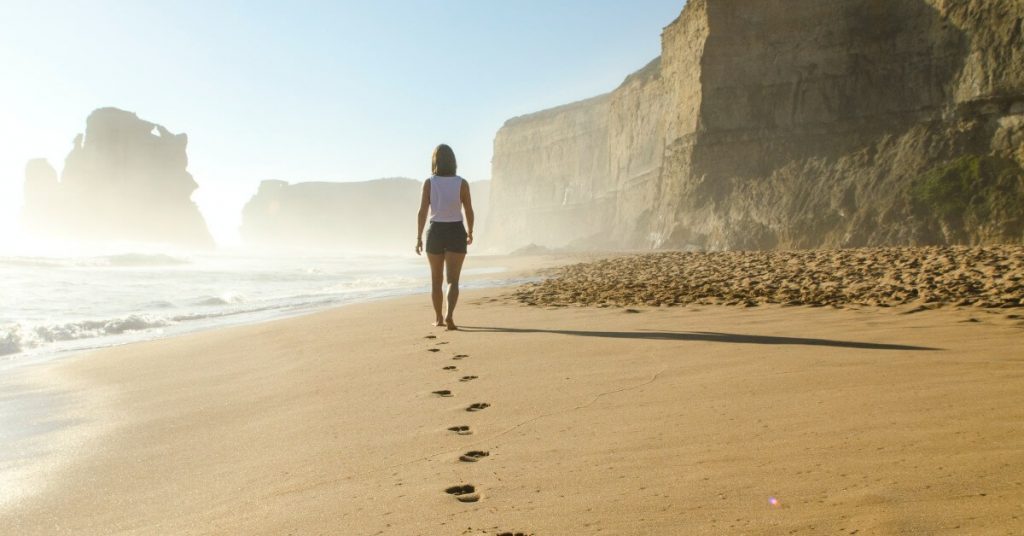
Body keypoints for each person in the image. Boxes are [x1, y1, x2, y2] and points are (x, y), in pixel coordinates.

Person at [415, 144, 474, 330]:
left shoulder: (429, 183)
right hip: (456, 230)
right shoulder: (462, 183)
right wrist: (470, 231)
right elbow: (469, 210)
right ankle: (450, 316)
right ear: (453, 161)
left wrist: (418, 237)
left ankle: (439, 318)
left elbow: (422, 212)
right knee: (453, 281)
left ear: (435, 161)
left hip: (435, 232)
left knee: (436, 281)